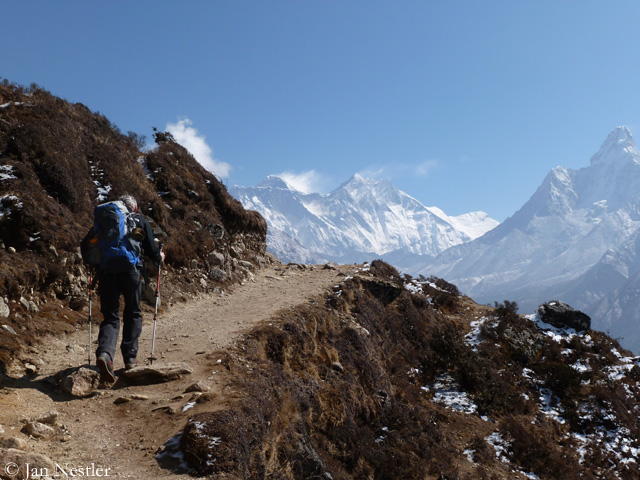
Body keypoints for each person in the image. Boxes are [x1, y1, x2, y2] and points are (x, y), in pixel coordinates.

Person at [96, 194, 165, 384]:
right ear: (133, 208)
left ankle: (105, 354)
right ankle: (130, 358)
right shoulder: (138, 220)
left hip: (107, 272)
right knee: (133, 312)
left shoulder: (104, 219)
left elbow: (88, 246)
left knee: (110, 316)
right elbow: (151, 250)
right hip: (131, 272)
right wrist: (160, 257)